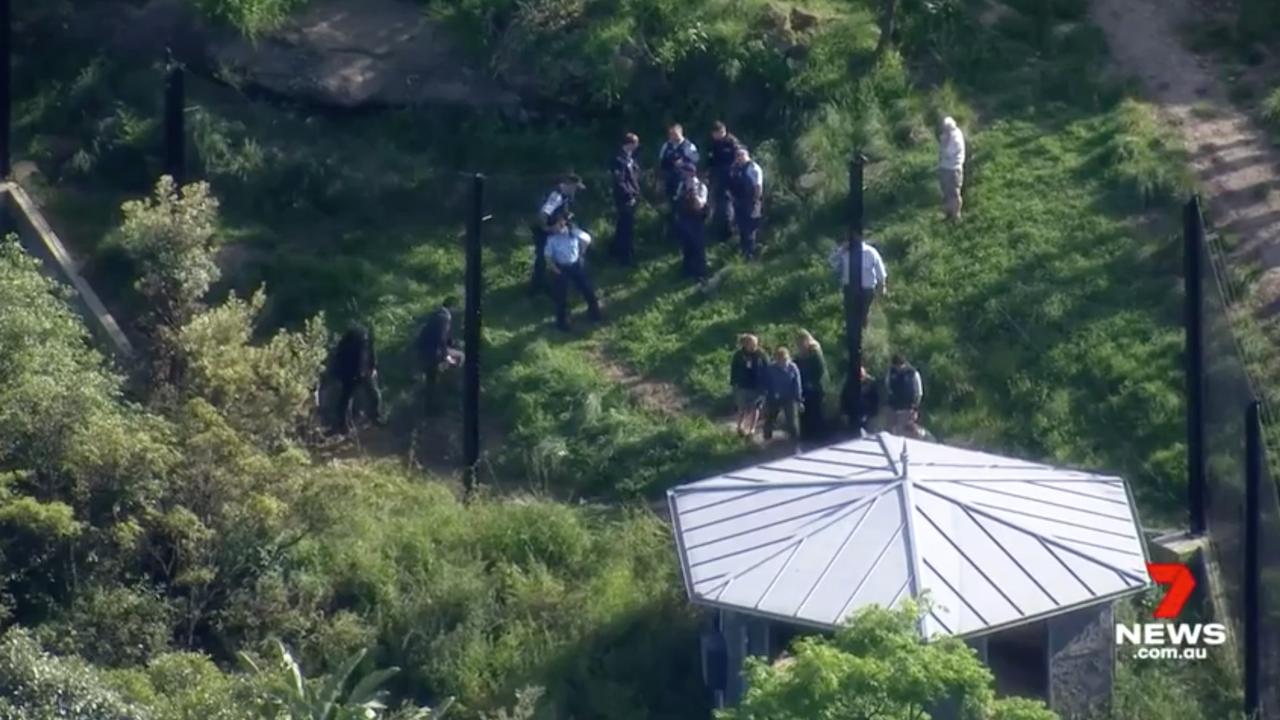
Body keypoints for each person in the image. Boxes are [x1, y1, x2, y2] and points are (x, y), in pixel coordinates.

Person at [544, 211, 602, 331]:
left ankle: (595, 313)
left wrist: (581, 255)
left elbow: (586, 239)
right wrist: (554, 269)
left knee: (587, 288)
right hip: (561, 268)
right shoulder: (552, 240)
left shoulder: (573, 233)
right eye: (555, 225)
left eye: (560, 224)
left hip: (575, 265)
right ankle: (562, 322)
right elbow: (548, 257)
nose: (558, 227)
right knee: (562, 296)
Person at [530, 174, 586, 295]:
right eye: (575, 187)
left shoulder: (565, 196)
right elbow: (543, 215)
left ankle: (551, 284)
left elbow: (559, 212)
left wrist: (567, 218)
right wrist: (548, 229)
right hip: (542, 231)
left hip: (553, 229)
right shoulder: (556, 196)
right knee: (542, 258)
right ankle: (537, 288)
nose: (576, 191)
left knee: (548, 257)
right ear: (569, 185)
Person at [331, 321, 385, 433]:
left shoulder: (367, 341)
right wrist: (342, 375)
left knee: (374, 394)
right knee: (346, 400)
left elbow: (372, 354)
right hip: (350, 373)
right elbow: (341, 360)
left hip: (365, 371)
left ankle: (375, 417)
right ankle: (342, 425)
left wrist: (373, 367)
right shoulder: (347, 344)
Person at [829, 235, 888, 328]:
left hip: (867, 289)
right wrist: (840, 251)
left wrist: (882, 285)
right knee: (851, 312)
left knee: (863, 313)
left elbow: (880, 270)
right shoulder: (845, 252)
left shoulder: (870, 252)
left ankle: (863, 332)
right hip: (850, 288)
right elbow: (832, 263)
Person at [417, 297, 465, 407]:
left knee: (431, 380)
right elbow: (441, 338)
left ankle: (430, 406)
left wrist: (451, 343)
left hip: (424, 351)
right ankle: (452, 387)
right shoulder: (445, 317)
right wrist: (446, 356)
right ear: (452, 306)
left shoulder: (436, 314)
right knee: (460, 357)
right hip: (434, 352)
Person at [673, 162, 710, 286]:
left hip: (696, 220)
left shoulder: (701, 186)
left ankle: (701, 273)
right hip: (684, 218)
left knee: (698, 246)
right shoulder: (681, 184)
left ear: (691, 173)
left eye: (685, 172)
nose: (683, 174)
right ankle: (687, 271)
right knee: (686, 246)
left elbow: (701, 204)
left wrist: (692, 192)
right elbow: (677, 198)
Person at [707, 121, 742, 243]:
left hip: (731, 178)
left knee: (728, 205)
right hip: (718, 178)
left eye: (722, 132)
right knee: (719, 206)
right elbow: (710, 161)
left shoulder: (731, 142)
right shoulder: (713, 144)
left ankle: (730, 233)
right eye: (718, 133)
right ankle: (720, 233)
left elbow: (739, 157)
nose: (720, 135)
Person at [610, 133, 642, 266]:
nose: (636, 147)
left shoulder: (630, 159)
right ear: (628, 144)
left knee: (628, 226)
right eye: (634, 144)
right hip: (624, 198)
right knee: (625, 226)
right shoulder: (618, 160)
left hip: (633, 196)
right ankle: (624, 257)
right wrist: (630, 195)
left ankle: (625, 251)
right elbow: (620, 181)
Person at [728, 147, 764, 261]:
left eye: (741, 156)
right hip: (738, 202)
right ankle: (744, 254)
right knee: (742, 229)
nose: (739, 158)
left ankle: (751, 255)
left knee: (750, 228)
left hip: (750, 201)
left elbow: (758, 186)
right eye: (737, 156)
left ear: (746, 156)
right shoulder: (736, 169)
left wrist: (755, 200)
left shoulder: (753, 168)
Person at [730, 333, 768, 438]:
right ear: (745, 344)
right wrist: (733, 383)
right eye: (751, 343)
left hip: (757, 385)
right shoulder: (739, 355)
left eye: (755, 343)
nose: (754, 346)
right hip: (743, 385)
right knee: (742, 407)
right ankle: (739, 427)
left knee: (755, 408)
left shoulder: (761, 354)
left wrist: (766, 385)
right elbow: (734, 369)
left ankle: (752, 429)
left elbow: (766, 368)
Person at [762, 346, 802, 443]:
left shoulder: (793, 367)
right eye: (780, 359)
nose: (783, 362)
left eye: (785, 359)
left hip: (789, 396)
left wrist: (799, 399)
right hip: (774, 396)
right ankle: (767, 438)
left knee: (792, 420)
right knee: (770, 418)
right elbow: (766, 383)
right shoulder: (771, 368)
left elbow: (797, 384)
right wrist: (766, 396)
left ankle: (794, 440)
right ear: (776, 359)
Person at [794, 330, 826, 442]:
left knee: (815, 412)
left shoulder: (814, 352)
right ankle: (805, 437)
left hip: (815, 387)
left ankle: (817, 437)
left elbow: (819, 370)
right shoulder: (799, 355)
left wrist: (811, 382)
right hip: (803, 387)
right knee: (804, 413)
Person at [886, 353, 923, 437]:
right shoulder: (891, 372)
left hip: (908, 409)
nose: (898, 368)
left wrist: (915, 407)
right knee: (893, 433)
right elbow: (888, 386)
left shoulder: (913, 373)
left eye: (899, 366)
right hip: (894, 408)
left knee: (907, 432)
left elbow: (919, 392)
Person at [938, 116, 966, 222]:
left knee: (954, 193)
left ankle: (956, 216)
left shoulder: (955, 138)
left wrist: (944, 141)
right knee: (947, 192)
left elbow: (947, 152)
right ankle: (949, 214)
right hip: (946, 167)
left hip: (953, 169)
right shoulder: (954, 133)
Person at [841, 364, 881, 435]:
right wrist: (844, 412)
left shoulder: (871, 384)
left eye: (862, 376)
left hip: (867, 414)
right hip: (853, 414)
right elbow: (844, 398)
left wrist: (872, 413)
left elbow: (875, 400)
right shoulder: (849, 384)